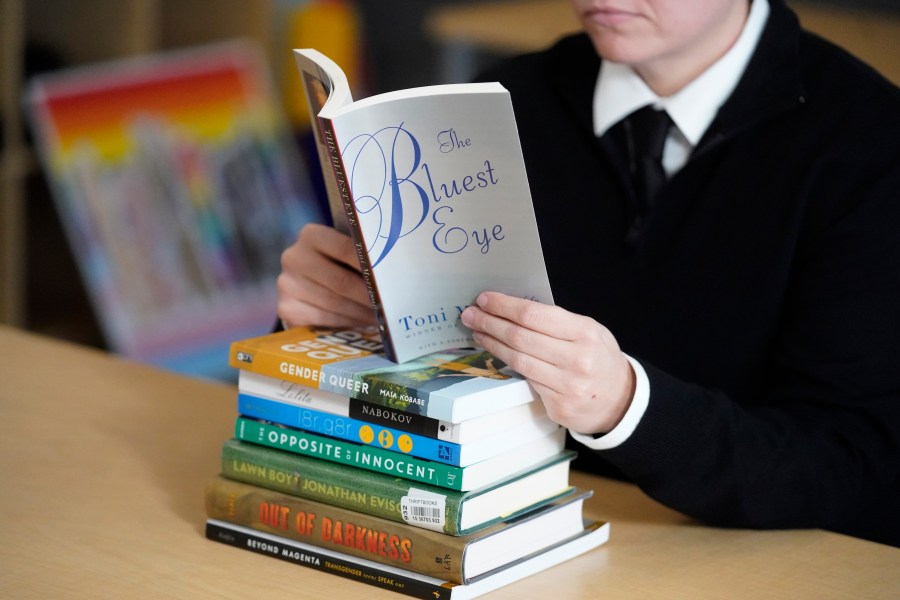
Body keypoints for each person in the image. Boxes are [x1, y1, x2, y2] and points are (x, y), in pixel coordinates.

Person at [276, 0, 900, 546]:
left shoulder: (867, 142)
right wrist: (320, 320)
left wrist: (628, 407)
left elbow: (853, 464)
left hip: (738, 559)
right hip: (503, 531)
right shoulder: (503, 102)